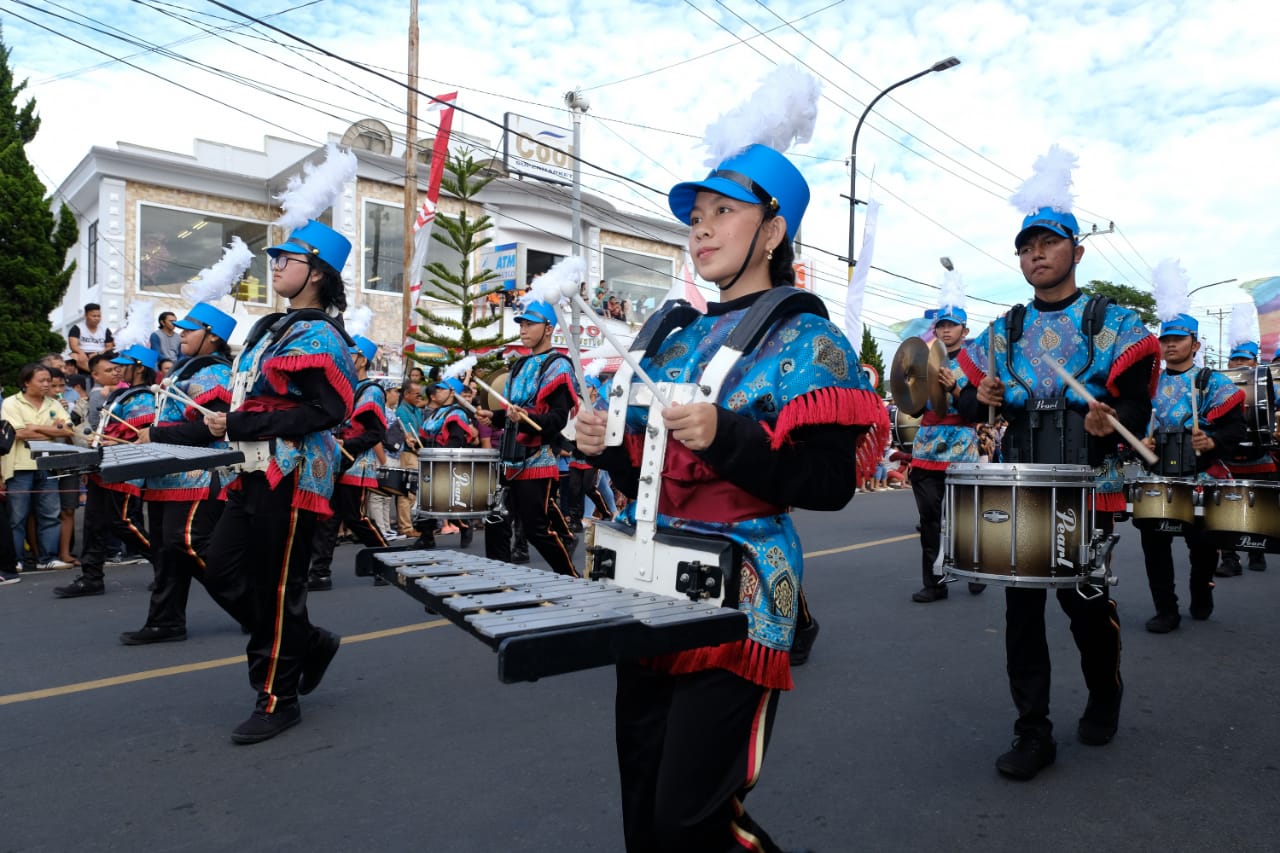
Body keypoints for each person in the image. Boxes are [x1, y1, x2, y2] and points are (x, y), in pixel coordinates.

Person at [576, 139, 882, 851]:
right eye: (695, 216)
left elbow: (832, 482)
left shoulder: (810, 338)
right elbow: (647, 474)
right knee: (644, 805)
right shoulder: (671, 332)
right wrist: (604, 448)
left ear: (773, 231)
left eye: (723, 212)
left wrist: (729, 436)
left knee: (693, 819)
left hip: (741, 593)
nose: (702, 229)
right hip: (644, 581)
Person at [963, 151, 1159, 781]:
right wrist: (980, 396)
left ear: (1076, 252)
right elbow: (967, 397)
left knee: (1084, 606)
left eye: (1049, 244)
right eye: (1026, 248)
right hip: (1021, 485)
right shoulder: (1005, 329)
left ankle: (1105, 694)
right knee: (1021, 615)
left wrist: (1112, 417)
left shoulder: (1111, 321)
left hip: (1085, 483)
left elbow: (1135, 399)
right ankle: (1033, 729)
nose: (1036, 255)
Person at [201, 217, 357, 744]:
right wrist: (227, 420)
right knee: (220, 570)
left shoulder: (319, 334)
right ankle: (308, 642)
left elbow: (327, 410)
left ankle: (277, 698)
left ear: (316, 273)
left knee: (275, 589)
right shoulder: (271, 328)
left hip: (288, 474)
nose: (275, 267)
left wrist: (242, 421)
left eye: (285, 259)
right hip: (248, 469)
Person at [121, 303, 238, 643]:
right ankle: (165, 620)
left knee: (186, 543)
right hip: (169, 476)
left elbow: (211, 429)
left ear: (213, 337)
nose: (182, 333)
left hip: (199, 475)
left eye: (190, 329)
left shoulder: (214, 373)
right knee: (165, 552)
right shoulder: (187, 371)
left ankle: (254, 604)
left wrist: (155, 436)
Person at [1138, 308, 1246, 632]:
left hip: (1200, 476)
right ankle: (1166, 609)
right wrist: (1144, 444)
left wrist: (1211, 441)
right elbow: (1136, 429)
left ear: (1195, 344)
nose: (1170, 345)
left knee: (1201, 546)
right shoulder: (1149, 387)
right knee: (1154, 545)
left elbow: (1236, 430)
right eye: (1165, 340)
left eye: (1178, 339)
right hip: (1158, 476)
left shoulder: (1211, 382)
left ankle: (1201, 591)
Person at [481, 300, 578, 575]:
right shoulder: (520, 363)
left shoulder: (558, 365)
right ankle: (498, 579)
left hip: (537, 459)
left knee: (536, 528)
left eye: (529, 324)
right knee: (495, 519)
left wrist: (527, 417)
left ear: (548, 329)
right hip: (509, 457)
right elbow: (514, 414)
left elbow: (558, 419)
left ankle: (572, 578)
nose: (523, 329)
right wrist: (495, 418)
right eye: (521, 324)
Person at [54, 345, 158, 598]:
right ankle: (91, 577)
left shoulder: (143, 396)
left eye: (124, 364)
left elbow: (140, 435)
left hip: (122, 467)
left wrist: (111, 441)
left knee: (122, 522)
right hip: (105, 465)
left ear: (140, 367)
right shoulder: (123, 394)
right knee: (94, 523)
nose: (119, 369)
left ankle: (168, 563)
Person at [909, 305, 984, 603]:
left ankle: (976, 570)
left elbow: (976, 411)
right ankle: (935, 583)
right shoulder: (924, 361)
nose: (946, 330)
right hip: (926, 446)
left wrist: (953, 389)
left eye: (952, 325)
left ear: (964, 331)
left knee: (964, 519)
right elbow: (913, 409)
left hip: (961, 447)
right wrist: (911, 385)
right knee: (929, 520)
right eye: (941, 325)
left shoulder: (975, 363)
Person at [307, 335, 388, 591]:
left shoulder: (371, 390)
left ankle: (388, 562)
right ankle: (320, 573)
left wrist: (346, 446)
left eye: (349, 354)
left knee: (355, 518)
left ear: (362, 360)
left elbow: (375, 433)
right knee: (328, 519)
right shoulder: (342, 386)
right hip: (334, 461)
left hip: (355, 464)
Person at [2, 364, 74, 573]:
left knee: (50, 513)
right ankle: (15, 560)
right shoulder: (10, 403)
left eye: (48, 380)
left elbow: (68, 429)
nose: (47, 384)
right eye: (41, 380)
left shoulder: (53, 403)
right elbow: (17, 433)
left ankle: (47, 558)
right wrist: (53, 430)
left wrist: (35, 427)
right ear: (26, 382)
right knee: (17, 516)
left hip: (49, 464)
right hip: (20, 465)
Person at [1217, 334, 1271, 575]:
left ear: (1254, 363)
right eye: (1234, 359)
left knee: (1257, 506)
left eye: (1244, 359)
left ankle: (1256, 551)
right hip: (1226, 454)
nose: (1238, 363)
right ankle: (1229, 559)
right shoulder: (1217, 384)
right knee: (1224, 508)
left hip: (1258, 455)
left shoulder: (1264, 382)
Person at [419, 377, 480, 548]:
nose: (435, 392)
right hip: (431, 461)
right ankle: (426, 536)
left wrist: (441, 457)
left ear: (452, 393)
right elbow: (424, 437)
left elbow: (456, 439)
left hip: (447, 463)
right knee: (426, 500)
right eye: (436, 389)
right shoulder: (436, 412)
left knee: (450, 501)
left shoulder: (457, 413)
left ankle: (465, 526)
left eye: (440, 389)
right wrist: (414, 442)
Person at [393, 379, 425, 539]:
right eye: (416, 394)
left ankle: (407, 525)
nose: (420, 397)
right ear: (406, 394)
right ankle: (405, 527)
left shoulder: (416, 410)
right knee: (407, 493)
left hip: (418, 453)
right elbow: (409, 436)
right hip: (408, 453)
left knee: (413, 492)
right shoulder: (401, 412)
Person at [67, 303, 114, 373]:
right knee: (73, 356)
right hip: (83, 353)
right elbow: (73, 346)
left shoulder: (105, 329)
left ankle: (96, 373)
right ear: (86, 316)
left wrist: (98, 353)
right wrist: (81, 353)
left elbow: (109, 346)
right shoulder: (77, 328)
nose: (97, 318)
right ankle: (94, 373)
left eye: (99, 316)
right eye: (94, 316)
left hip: (100, 354)